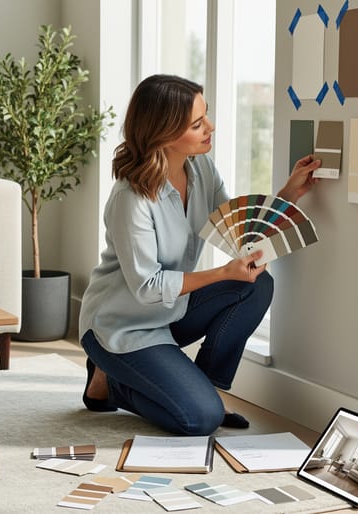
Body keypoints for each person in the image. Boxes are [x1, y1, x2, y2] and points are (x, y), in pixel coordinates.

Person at [78, 74, 322, 436]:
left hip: (169, 311)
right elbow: (147, 287)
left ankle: (205, 388)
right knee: (199, 420)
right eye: (197, 124)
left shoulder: (201, 168)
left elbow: (238, 231)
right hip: (120, 326)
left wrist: (289, 194)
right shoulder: (131, 199)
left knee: (256, 286)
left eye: (205, 115)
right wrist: (223, 273)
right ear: (164, 134)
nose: (211, 127)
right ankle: (112, 383)